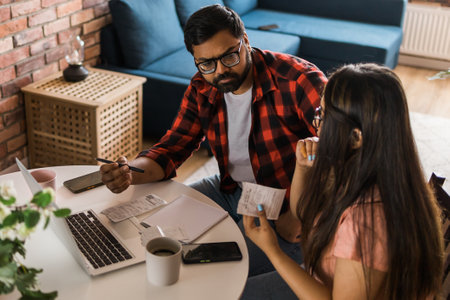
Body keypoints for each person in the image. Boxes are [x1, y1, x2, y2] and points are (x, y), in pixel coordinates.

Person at [99, 4, 327, 276]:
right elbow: (173, 147)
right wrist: (129, 173)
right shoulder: (202, 86)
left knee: (222, 273)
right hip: (231, 188)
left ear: (245, 41)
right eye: (206, 63)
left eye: (229, 56)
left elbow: (343, 151)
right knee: (152, 237)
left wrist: (302, 215)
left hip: (288, 204)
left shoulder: (298, 80)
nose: (220, 71)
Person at [242, 63, 444, 299]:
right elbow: (302, 213)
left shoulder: (368, 222)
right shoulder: (357, 166)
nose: (318, 125)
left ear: (356, 137)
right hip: (318, 278)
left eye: (325, 117)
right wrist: (302, 167)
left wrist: (273, 251)